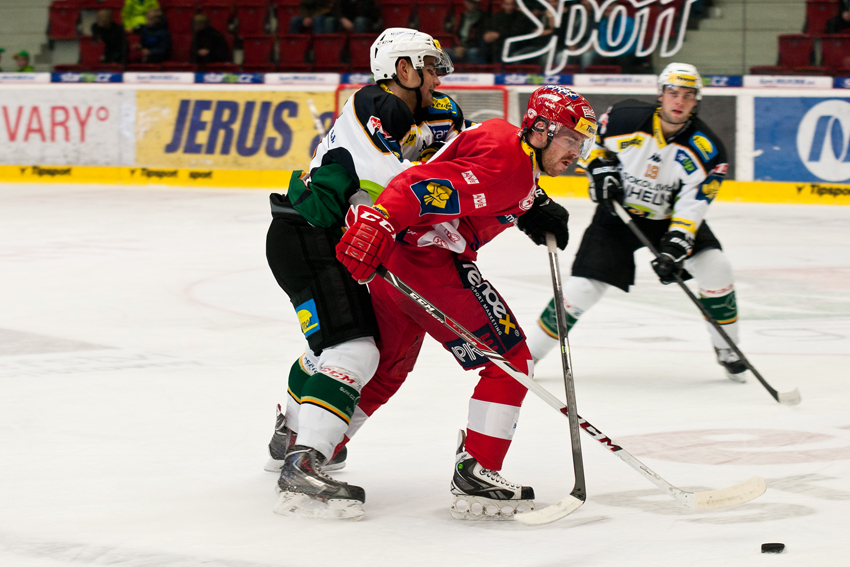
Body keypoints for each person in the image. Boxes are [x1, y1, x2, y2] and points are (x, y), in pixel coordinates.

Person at [334, 85, 595, 520]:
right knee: (511, 361)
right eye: (570, 139)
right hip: (428, 263)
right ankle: (478, 470)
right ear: (540, 130)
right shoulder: (509, 169)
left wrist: (532, 203)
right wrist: (381, 218)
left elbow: (466, 170)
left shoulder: (503, 137)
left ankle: (317, 443)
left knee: (388, 369)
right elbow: (419, 187)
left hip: (396, 262)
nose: (575, 152)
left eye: (581, 143)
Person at [265, 28, 467, 520]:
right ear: (403, 69)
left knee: (331, 350)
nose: (437, 78)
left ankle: (290, 431)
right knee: (355, 350)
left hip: (313, 238)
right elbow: (399, 182)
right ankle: (304, 461)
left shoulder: (403, 113)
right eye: (429, 67)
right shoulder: (380, 104)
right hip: (312, 237)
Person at [524, 63, 745, 383]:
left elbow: (693, 205)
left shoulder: (708, 150)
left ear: (696, 101)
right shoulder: (624, 117)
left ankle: (728, 348)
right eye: (673, 92)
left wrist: (675, 246)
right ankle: (528, 354)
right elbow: (587, 144)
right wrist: (600, 169)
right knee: (583, 287)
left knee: (716, 266)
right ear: (661, 94)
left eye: (687, 95)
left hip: (667, 220)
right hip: (617, 216)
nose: (679, 101)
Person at [449, 0, 489, 64]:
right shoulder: (460, 17)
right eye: (470, 2)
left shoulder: (484, 18)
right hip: (459, 47)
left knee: (473, 52)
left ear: (478, 4)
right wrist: (459, 46)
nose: (472, 5)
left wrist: (464, 48)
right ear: (465, 3)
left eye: (475, 3)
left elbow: (480, 37)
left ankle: (475, 70)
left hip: (474, 47)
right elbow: (455, 34)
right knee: (440, 53)